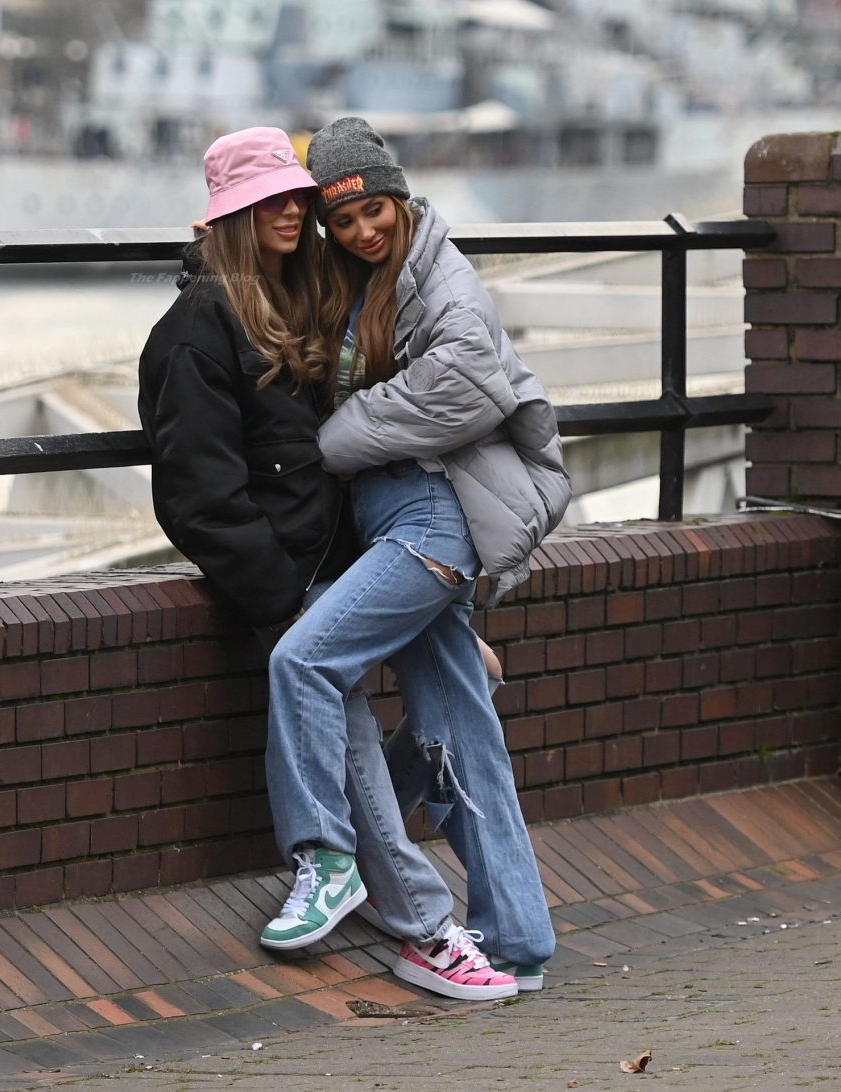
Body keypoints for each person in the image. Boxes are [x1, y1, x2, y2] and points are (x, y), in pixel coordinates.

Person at [138, 127, 518, 1002]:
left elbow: (330, 473)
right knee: (340, 723)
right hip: (286, 580)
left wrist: (429, 612)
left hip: (339, 565)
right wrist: (287, 607)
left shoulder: (297, 301)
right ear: (230, 218)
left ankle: (368, 880)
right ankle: (425, 929)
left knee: (443, 698)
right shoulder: (195, 330)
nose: (290, 213)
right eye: (266, 201)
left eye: (295, 199)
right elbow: (198, 500)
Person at [263, 116, 571, 993]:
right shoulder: (364, 280)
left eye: (374, 210)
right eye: (343, 219)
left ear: (399, 199)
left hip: (429, 524)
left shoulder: (444, 277)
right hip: (410, 520)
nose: (363, 229)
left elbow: (463, 390)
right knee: (461, 734)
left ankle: (330, 863)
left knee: (304, 661)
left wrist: (336, 438)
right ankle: (519, 939)